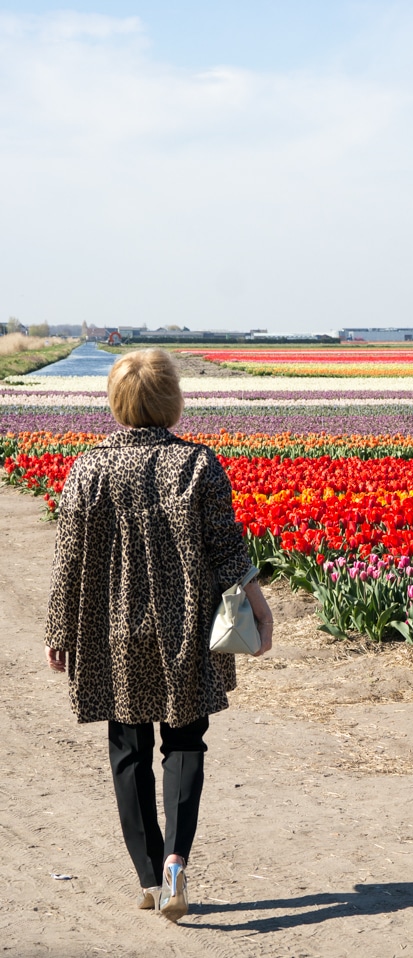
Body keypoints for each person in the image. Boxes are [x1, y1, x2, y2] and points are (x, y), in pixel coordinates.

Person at [44, 348, 273, 921]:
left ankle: (148, 878)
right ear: (172, 399)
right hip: (185, 630)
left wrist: (59, 629)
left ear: (116, 401)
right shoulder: (197, 466)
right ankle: (176, 861)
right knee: (186, 743)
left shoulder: (88, 470)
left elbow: (69, 561)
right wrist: (260, 606)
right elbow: (227, 550)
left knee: (128, 750)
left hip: (111, 633)